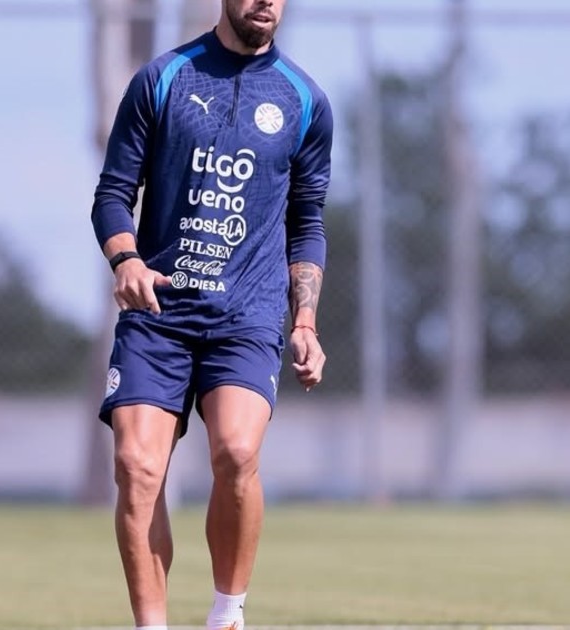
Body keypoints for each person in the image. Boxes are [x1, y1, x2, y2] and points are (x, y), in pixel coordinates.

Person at [89, 1, 331, 629]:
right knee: (137, 467)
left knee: (236, 451)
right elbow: (113, 193)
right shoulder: (163, 79)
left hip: (246, 315)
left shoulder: (305, 101)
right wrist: (126, 260)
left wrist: (304, 321)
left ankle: (227, 615)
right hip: (159, 313)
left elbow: (307, 222)